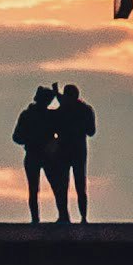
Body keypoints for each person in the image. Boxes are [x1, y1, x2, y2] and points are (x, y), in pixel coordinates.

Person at [48, 82, 99, 222]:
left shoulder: (61, 111)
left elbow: (54, 129)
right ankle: (82, 217)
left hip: (64, 151)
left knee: (63, 186)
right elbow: (91, 131)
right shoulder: (85, 110)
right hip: (78, 151)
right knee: (79, 185)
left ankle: (65, 216)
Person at [10, 84, 54, 221]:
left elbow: (16, 137)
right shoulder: (31, 115)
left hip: (44, 155)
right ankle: (36, 218)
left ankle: (40, 218)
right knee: (36, 189)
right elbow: (16, 137)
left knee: (52, 186)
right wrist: (32, 140)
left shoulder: (46, 115)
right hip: (36, 154)